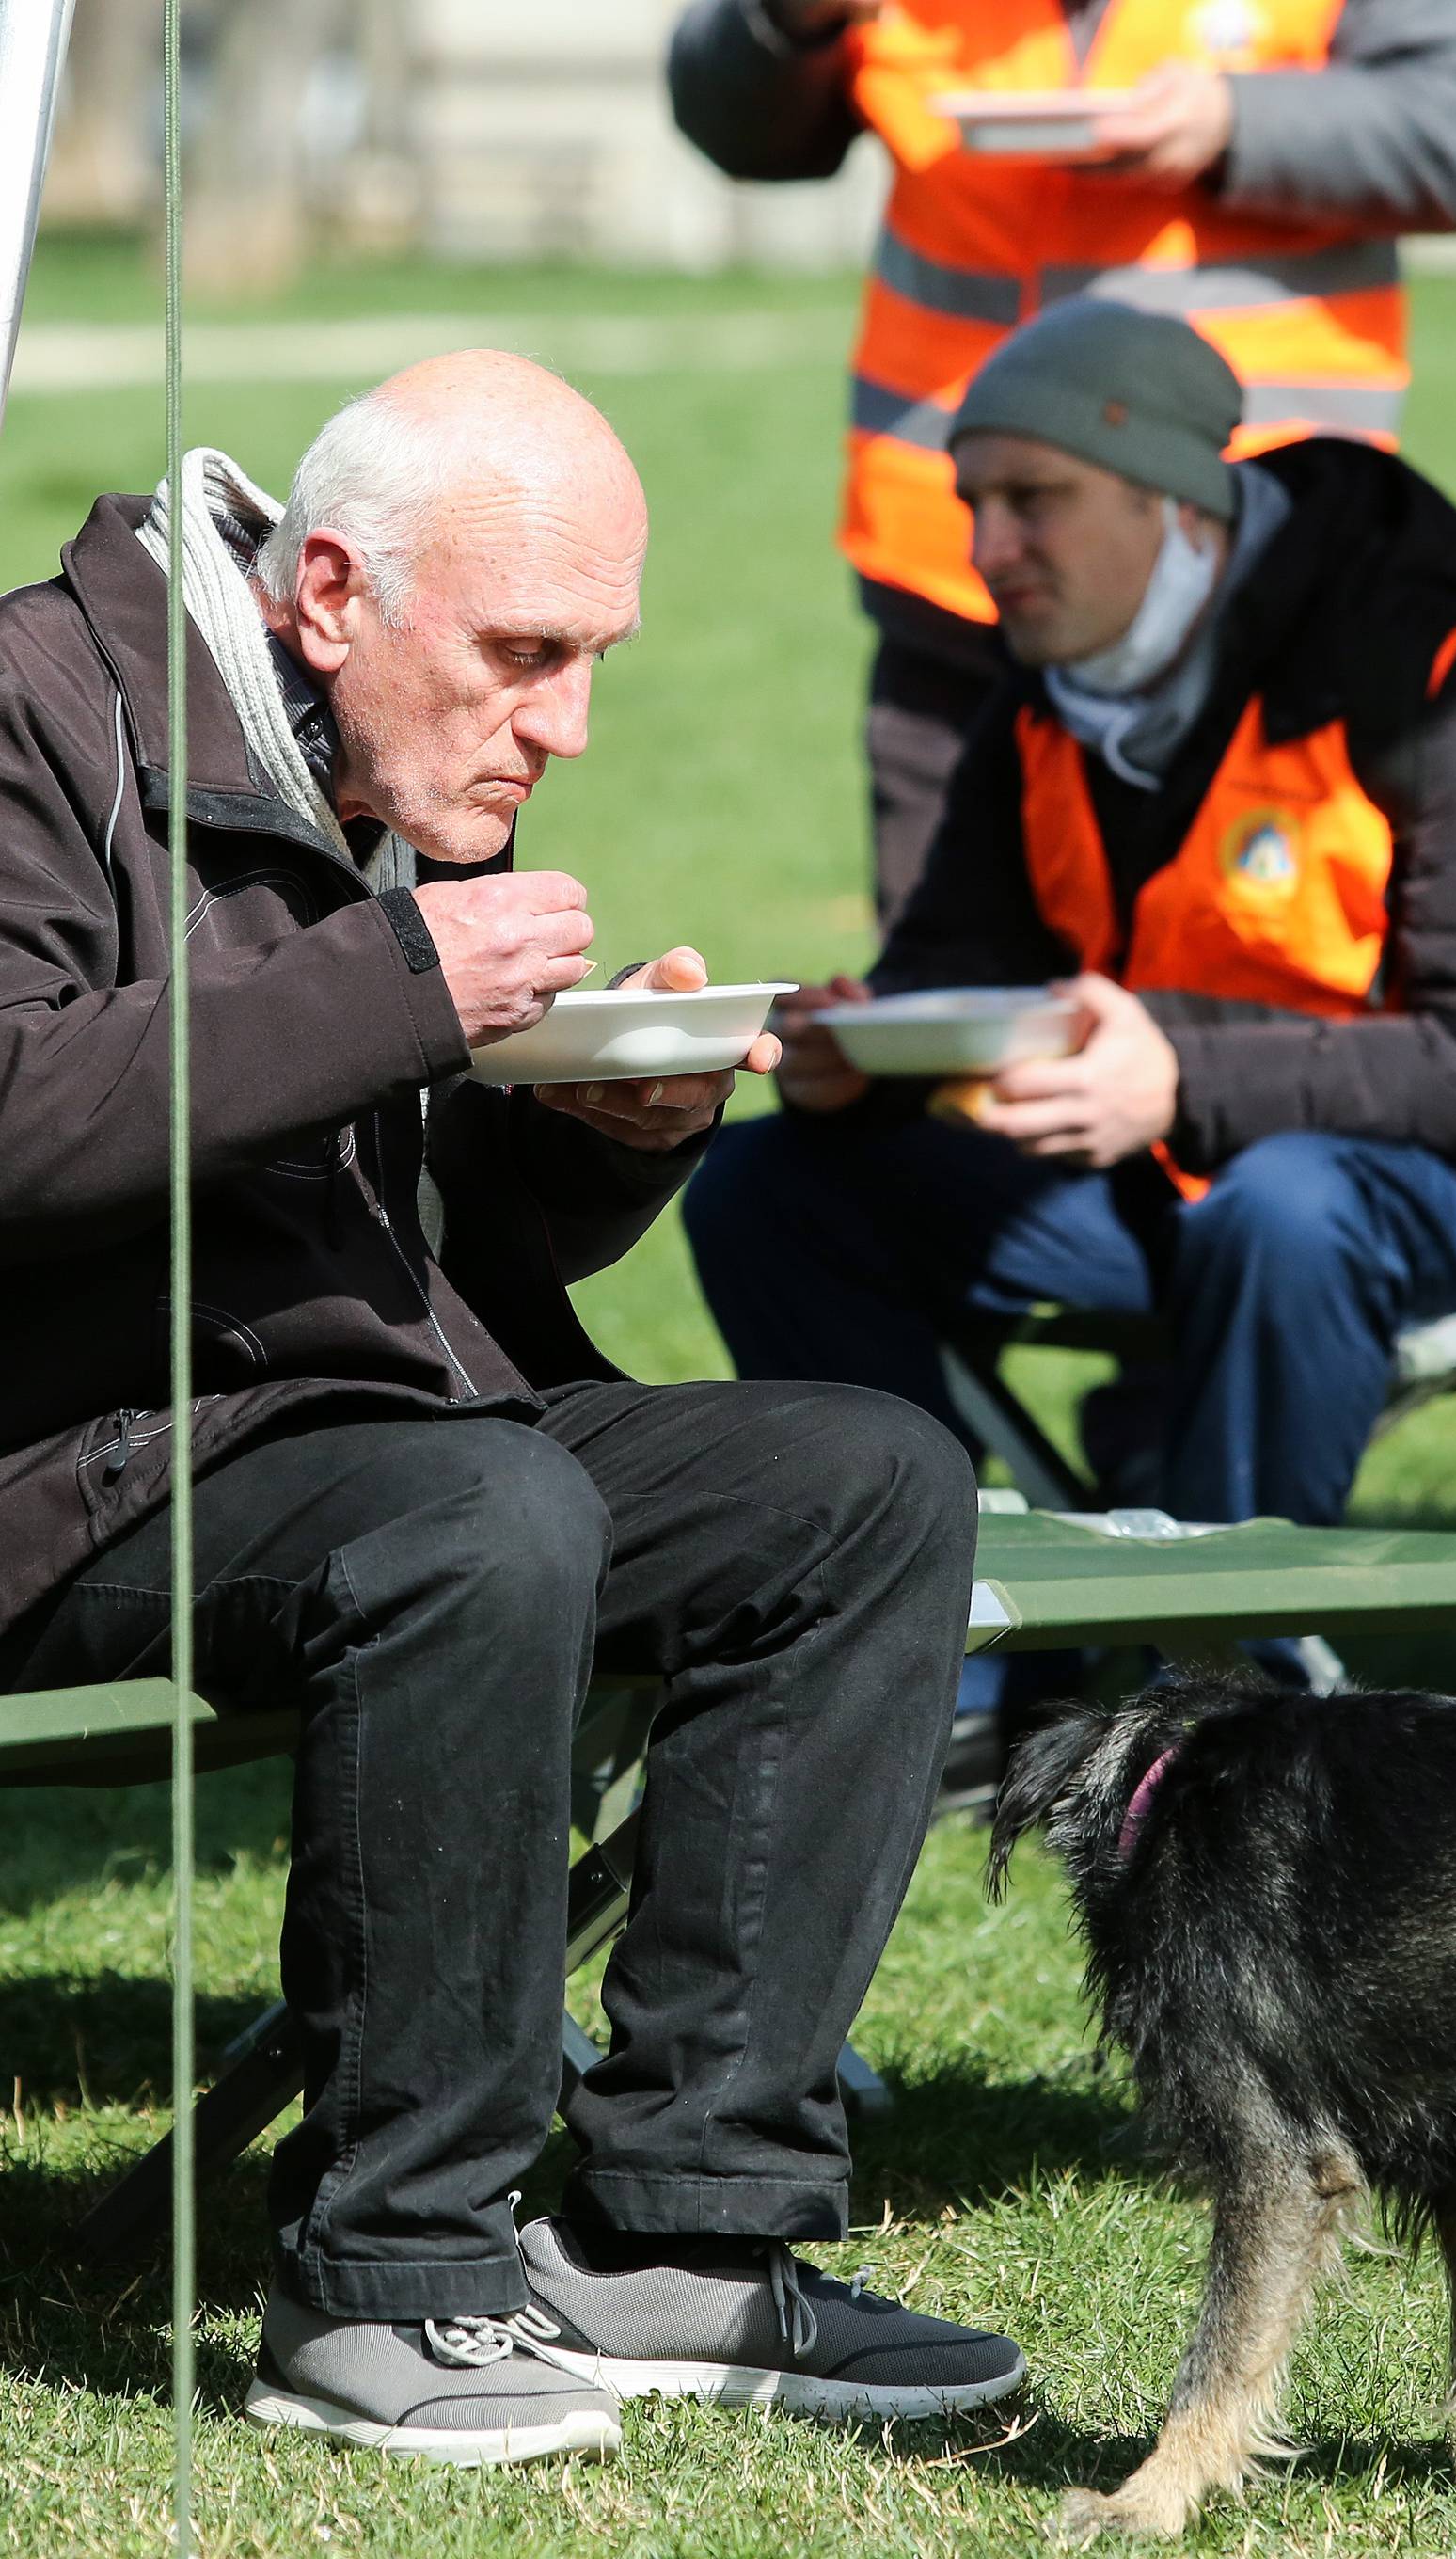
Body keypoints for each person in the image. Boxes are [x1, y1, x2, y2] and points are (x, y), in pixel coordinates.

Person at [0, 352, 1022, 2463]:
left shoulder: (361, 729)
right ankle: (392, 2277)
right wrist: (398, 993)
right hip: (68, 1460)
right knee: (480, 1518)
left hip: (333, 1428)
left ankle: (684, 2233)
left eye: (592, 662)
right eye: (526, 656)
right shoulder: (28, 710)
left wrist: (606, 1124)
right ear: (336, 589)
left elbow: (384, 1211)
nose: (562, 721)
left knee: (865, 1480)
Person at [685, 301, 1456, 1554]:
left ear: (1179, 509)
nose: (988, 545)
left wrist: (1179, 1076)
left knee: (1286, 1211)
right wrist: (862, 1056)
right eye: (974, 503)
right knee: (767, 1185)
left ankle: (1197, 1704)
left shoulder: (1441, 676)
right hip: (1190, 1172)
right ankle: (935, 1643)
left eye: (1036, 498)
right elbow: (953, 968)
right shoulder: (1042, 691)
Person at [668, 0, 1456, 920]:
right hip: (957, 582)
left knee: (1245, 983)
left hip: (1252, 574)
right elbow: (732, 126)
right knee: (944, 1003)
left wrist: (1237, 121)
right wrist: (788, 22)